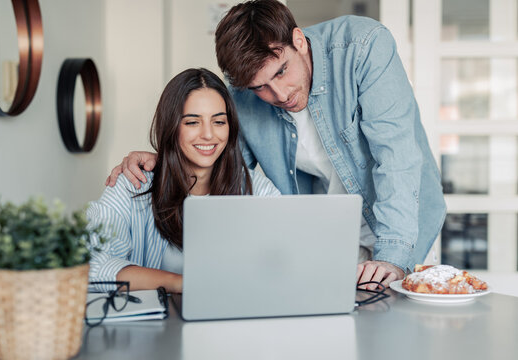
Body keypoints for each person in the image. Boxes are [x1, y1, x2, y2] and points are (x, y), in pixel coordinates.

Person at [105, 0, 446, 290]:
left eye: (281, 72)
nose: (279, 95)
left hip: (401, 225)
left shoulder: (363, 46)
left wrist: (392, 257)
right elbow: (223, 163)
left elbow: (395, 158)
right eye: (260, 88)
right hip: (326, 234)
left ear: (298, 40)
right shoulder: (242, 91)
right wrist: (165, 158)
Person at [88, 68, 280, 293]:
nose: (208, 135)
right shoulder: (132, 184)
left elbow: (284, 264)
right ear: (172, 126)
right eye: (192, 122)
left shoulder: (256, 190)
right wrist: (183, 284)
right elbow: (91, 265)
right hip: (153, 326)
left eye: (218, 122)